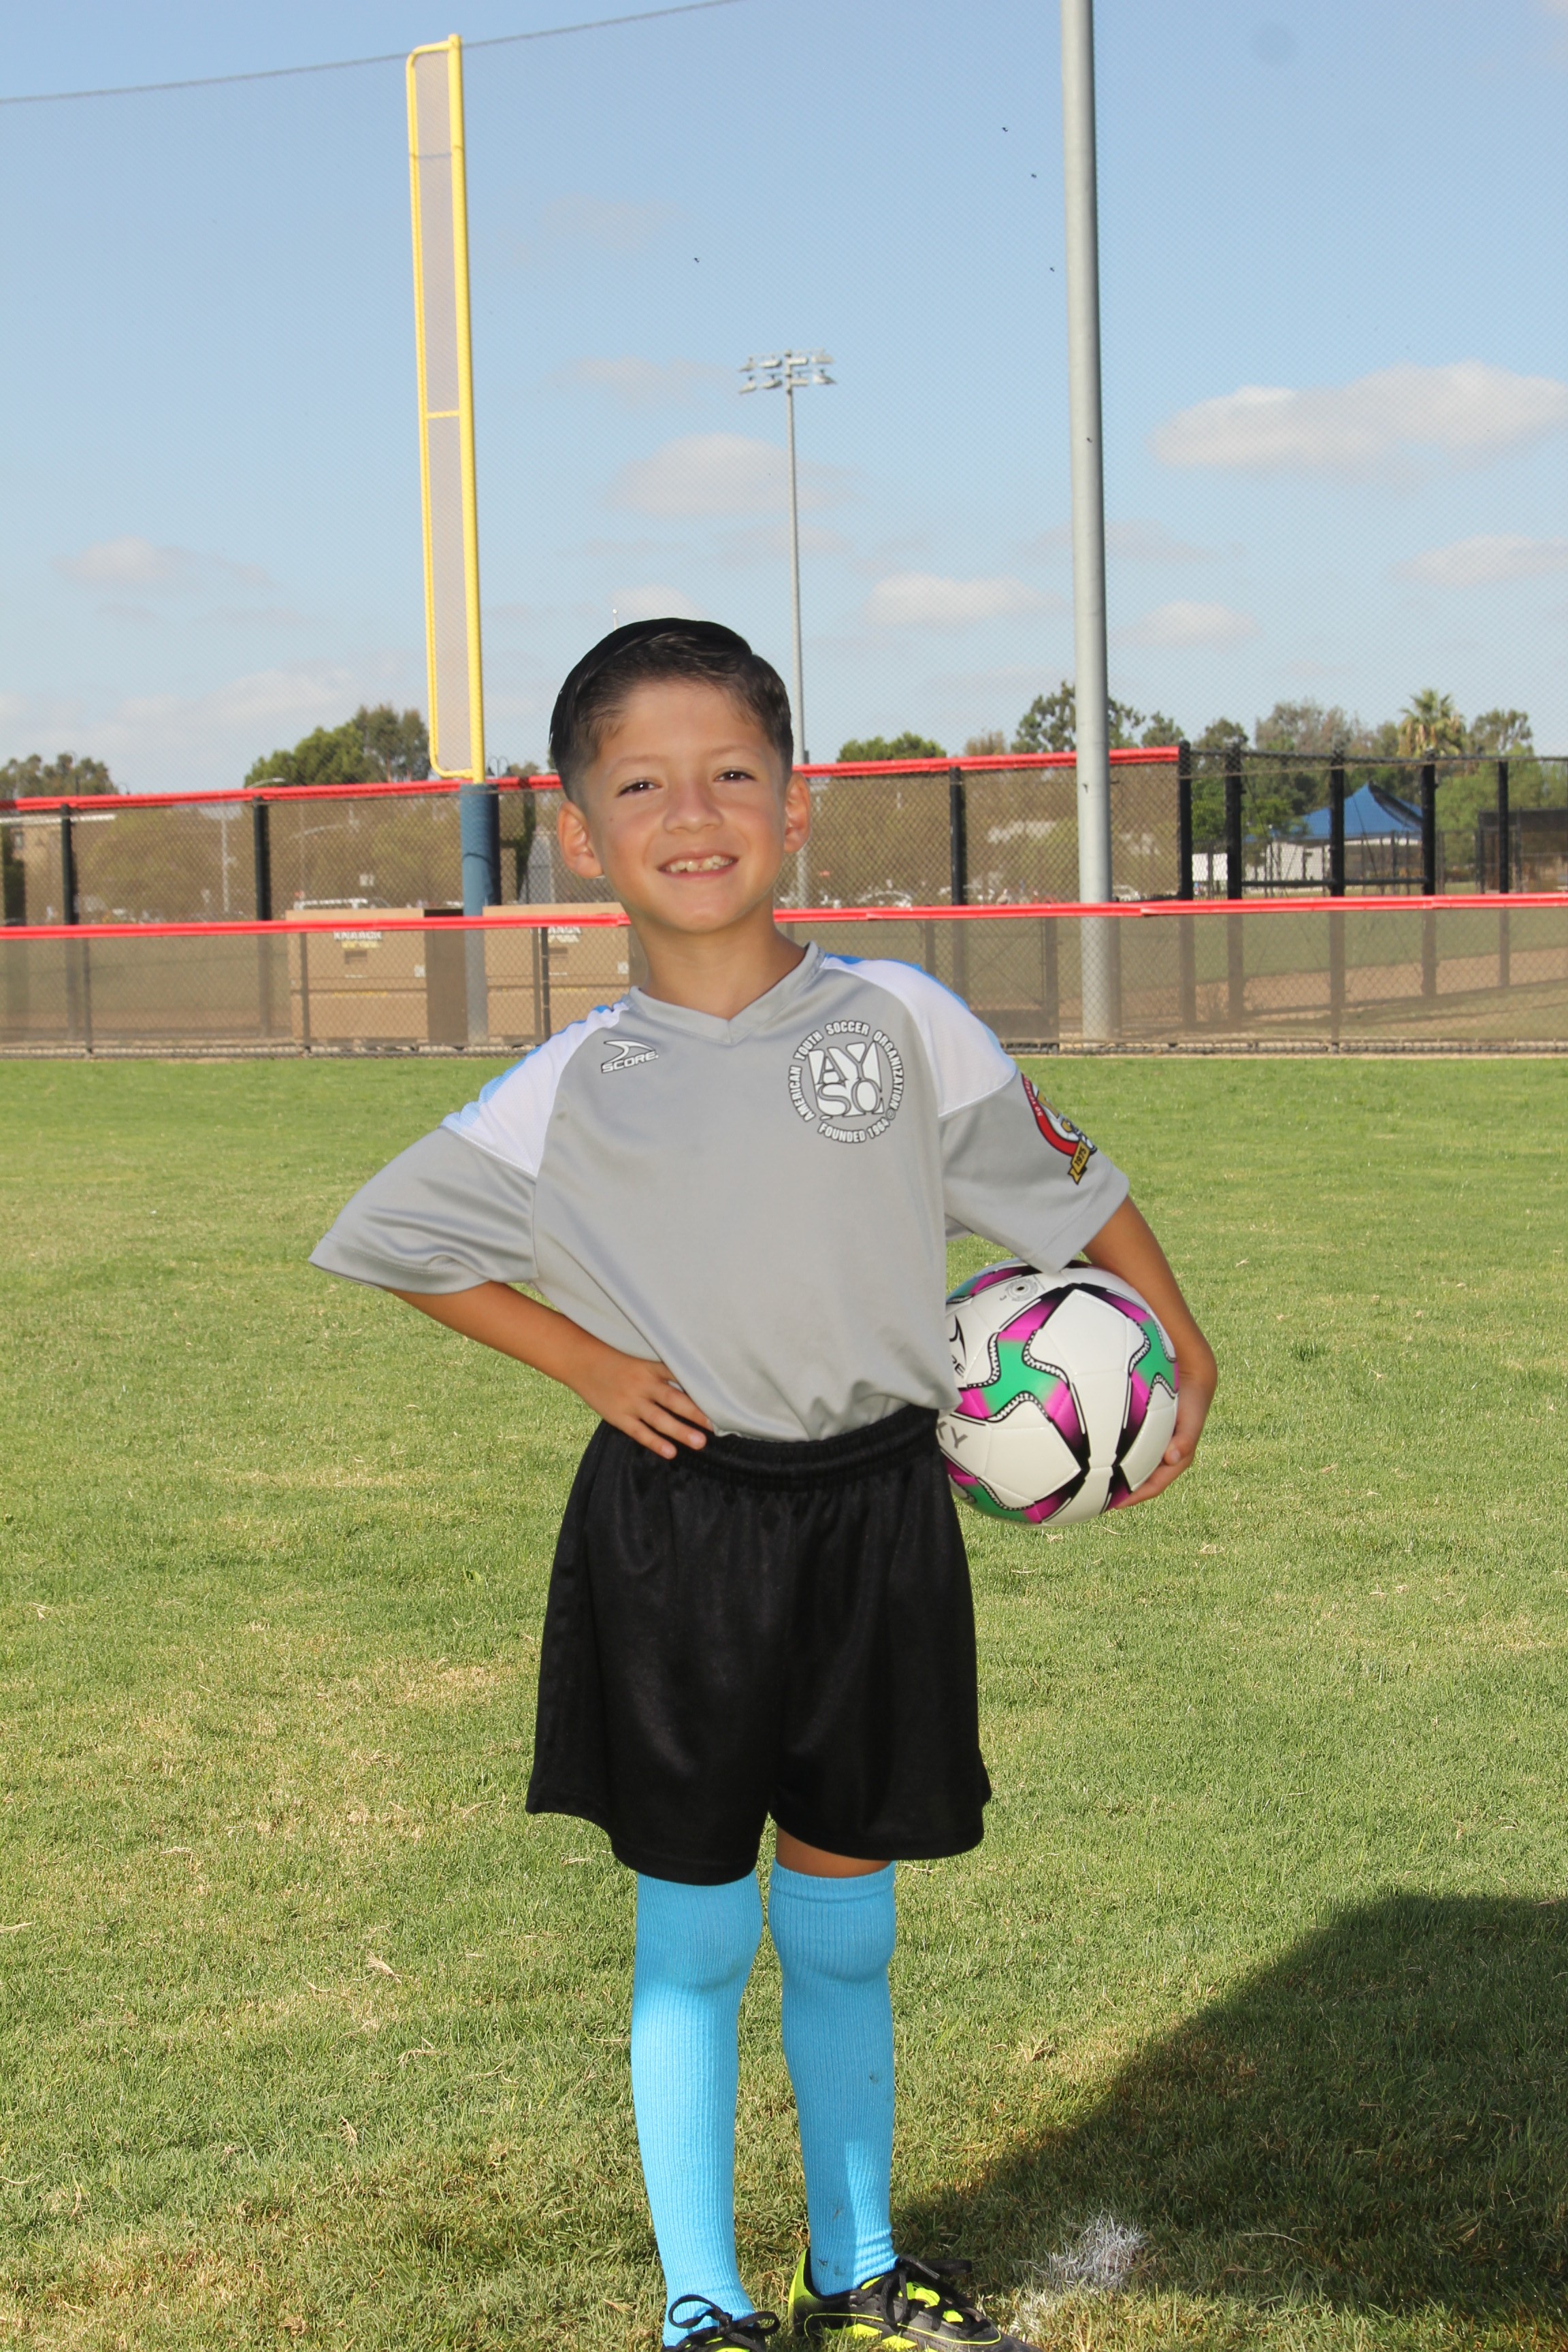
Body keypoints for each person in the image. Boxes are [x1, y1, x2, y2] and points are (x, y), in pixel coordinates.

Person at [311, 620, 1217, 2352]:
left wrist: (1182, 1340)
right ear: (580, 832)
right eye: (643, 783)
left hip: (879, 1512)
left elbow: (1071, 1186)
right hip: (679, 1528)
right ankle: (703, 2301)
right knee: (697, 1936)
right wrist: (585, 1362)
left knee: (848, 1925)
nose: (694, 812)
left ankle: (854, 2267)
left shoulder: (904, 1022)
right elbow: (388, 1236)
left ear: (795, 807)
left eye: (733, 772)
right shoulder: (569, 1086)